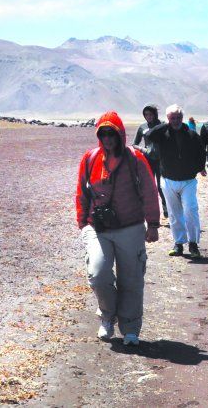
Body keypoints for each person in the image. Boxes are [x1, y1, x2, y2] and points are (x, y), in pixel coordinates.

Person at [75, 111, 160, 346]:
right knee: (98, 274)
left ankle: (130, 328)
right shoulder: (90, 158)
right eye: (103, 134)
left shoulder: (135, 159)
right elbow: (82, 191)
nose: (107, 139)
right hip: (98, 228)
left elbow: (149, 191)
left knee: (131, 279)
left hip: (130, 227)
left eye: (111, 134)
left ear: (120, 135)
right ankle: (107, 316)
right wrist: (82, 223)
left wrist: (153, 224)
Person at [142, 104, 206, 258]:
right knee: (174, 213)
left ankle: (193, 243)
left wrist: (198, 168)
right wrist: (166, 125)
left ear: (182, 118)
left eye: (178, 118)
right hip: (168, 180)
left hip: (188, 180)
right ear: (168, 119)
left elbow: (201, 152)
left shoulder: (191, 135)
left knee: (190, 210)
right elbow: (149, 135)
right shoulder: (162, 134)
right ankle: (178, 243)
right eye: (172, 118)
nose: (175, 121)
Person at [133, 104, 169, 219]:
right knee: (149, 187)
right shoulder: (142, 127)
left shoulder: (162, 125)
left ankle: (166, 208)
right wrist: (143, 150)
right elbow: (134, 144)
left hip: (161, 161)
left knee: (161, 186)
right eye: (146, 115)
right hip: (148, 160)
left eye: (150, 114)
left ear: (155, 114)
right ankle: (150, 211)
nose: (148, 116)